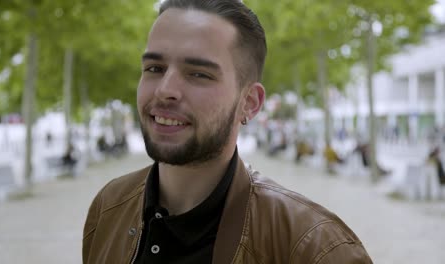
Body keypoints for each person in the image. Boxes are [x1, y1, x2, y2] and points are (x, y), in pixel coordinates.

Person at [82, 1, 372, 263]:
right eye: (155, 68)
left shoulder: (315, 247)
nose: (165, 90)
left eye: (199, 74)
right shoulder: (109, 207)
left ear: (249, 103)